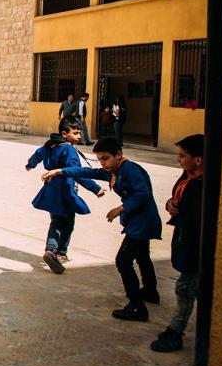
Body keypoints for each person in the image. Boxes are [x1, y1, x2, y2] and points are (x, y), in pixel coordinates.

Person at [42, 137, 162, 321]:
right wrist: (61, 171)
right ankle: (150, 291)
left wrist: (120, 209)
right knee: (142, 255)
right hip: (136, 221)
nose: (103, 163)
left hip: (143, 221)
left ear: (119, 155)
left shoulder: (129, 168)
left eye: (105, 158)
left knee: (123, 261)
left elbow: (143, 194)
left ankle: (137, 306)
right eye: (99, 159)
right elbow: (87, 172)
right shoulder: (113, 171)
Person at [25, 119, 105, 273]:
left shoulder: (50, 145)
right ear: (64, 134)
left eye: (79, 133)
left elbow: (38, 154)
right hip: (66, 190)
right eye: (75, 133)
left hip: (51, 189)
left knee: (56, 221)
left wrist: (30, 164)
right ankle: (61, 253)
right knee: (68, 223)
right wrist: (95, 188)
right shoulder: (69, 150)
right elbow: (77, 172)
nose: (79, 136)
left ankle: (50, 250)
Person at [150, 134, 204, 353]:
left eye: (183, 156)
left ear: (198, 159)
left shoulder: (204, 185)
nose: (179, 160)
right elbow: (178, 198)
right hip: (185, 240)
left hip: (195, 244)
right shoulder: (189, 177)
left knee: (185, 288)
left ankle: (175, 332)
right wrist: (170, 203)